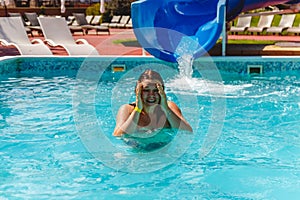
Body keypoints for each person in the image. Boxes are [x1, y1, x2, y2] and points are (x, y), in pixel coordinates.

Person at [113, 69, 193, 136]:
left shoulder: (169, 107)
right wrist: (138, 109)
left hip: (165, 153)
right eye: (146, 90)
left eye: (156, 90)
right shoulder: (127, 109)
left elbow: (188, 131)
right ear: (137, 91)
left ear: (162, 92)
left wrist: (166, 109)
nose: (151, 95)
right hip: (137, 152)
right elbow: (118, 135)